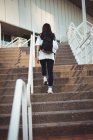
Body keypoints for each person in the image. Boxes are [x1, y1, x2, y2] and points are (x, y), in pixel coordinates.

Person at [35, 23, 58, 93]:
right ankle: (50, 89)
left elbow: (37, 46)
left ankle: (45, 78)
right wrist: (55, 57)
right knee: (50, 72)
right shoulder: (53, 35)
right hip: (51, 55)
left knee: (43, 67)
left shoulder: (40, 35)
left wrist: (36, 56)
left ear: (43, 28)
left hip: (42, 55)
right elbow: (55, 47)